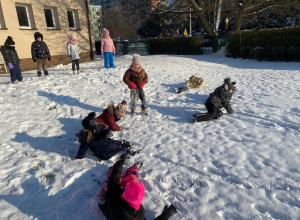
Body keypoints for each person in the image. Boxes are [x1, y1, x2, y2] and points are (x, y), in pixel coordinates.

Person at [98, 154, 178, 220]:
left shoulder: (114, 193)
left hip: (106, 203)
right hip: (111, 207)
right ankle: (133, 170)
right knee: (131, 180)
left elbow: (115, 177)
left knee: (112, 182)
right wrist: (167, 214)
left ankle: (115, 169)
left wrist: (120, 162)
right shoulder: (137, 216)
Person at [72, 112, 137, 161]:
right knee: (118, 143)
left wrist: (78, 157)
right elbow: (107, 132)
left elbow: (83, 149)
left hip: (102, 155)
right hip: (110, 148)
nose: (83, 129)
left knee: (107, 144)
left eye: (84, 127)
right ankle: (123, 145)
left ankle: (120, 146)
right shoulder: (100, 127)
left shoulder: (86, 137)